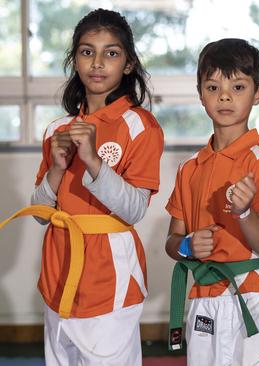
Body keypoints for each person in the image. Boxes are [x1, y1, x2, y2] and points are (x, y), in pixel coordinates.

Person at [0, 8, 163, 365]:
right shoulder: (57, 129)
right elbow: (41, 212)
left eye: (111, 53)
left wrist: (92, 161)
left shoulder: (140, 125)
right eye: (87, 51)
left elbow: (134, 209)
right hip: (60, 268)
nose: (98, 62)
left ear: (129, 64)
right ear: (75, 60)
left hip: (111, 276)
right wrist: (56, 170)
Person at [164, 38, 259, 366]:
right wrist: (188, 246)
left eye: (237, 86)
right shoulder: (188, 167)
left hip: (255, 296)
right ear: (200, 93)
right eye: (213, 86)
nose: (224, 96)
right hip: (205, 295)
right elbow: (172, 241)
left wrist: (244, 213)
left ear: (257, 93)